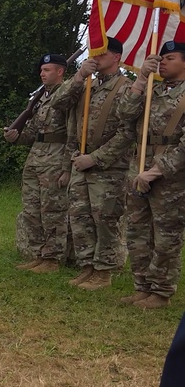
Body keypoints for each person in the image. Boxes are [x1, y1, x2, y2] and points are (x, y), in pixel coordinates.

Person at [50, 38, 133, 289]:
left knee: (105, 219)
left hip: (108, 167)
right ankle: (87, 266)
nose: (96, 56)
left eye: (102, 52)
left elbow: (127, 133)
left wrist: (94, 159)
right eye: (94, 52)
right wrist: (77, 78)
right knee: (80, 217)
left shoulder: (126, 88)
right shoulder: (87, 86)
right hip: (80, 161)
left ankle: (104, 271)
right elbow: (57, 104)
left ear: (117, 57)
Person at [112, 41, 185, 309]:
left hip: (172, 176)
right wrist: (141, 78)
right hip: (140, 165)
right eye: (161, 57)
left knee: (166, 235)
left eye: (170, 58)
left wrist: (155, 172)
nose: (162, 62)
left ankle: (162, 291)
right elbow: (124, 114)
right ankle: (142, 287)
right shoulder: (152, 90)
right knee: (137, 231)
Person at [4, 53, 78, 273]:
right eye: (41, 70)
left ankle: (53, 259)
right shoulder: (40, 98)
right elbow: (34, 133)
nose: (42, 74)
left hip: (56, 158)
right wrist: (16, 136)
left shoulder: (67, 97)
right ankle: (39, 254)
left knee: (52, 210)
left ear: (60, 72)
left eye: (47, 70)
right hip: (35, 158)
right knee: (31, 209)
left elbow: (73, 134)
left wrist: (67, 168)